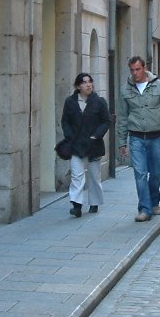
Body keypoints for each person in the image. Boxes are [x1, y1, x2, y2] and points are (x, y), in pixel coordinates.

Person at [116, 56, 160, 222]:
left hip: (156, 137)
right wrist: (121, 141)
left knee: (156, 173)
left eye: (138, 69)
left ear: (144, 68)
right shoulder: (125, 90)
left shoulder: (159, 85)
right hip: (136, 137)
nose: (135, 73)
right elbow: (122, 117)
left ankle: (154, 201)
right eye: (132, 70)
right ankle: (144, 208)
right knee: (140, 173)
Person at [60, 72, 110, 217]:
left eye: (90, 81)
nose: (88, 84)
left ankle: (94, 203)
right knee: (77, 175)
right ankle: (76, 205)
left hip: (93, 144)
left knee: (94, 176)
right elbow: (65, 121)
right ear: (78, 86)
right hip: (76, 145)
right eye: (84, 82)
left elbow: (105, 121)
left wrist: (96, 135)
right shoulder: (70, 102)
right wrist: (69, 136)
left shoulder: (99, 102)